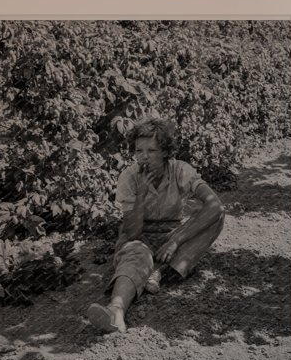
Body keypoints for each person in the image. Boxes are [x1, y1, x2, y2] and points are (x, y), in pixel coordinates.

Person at [86, 116, 225, 334]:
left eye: (151, 151)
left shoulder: (180, 170)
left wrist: (176, 240)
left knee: (215, 217)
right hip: (140, 235)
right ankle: (116, 311)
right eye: (138, 151)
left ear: (165, 152)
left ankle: (159, 270)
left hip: (173, 233)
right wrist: (141, 194)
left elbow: (215, 205)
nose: (144, 157)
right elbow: (131, 232)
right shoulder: (129, 177)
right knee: (136, 254)